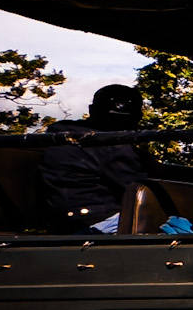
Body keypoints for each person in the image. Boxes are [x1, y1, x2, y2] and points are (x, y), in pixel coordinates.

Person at [39, 84, 152, 233]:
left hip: (61, 221)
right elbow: (140, 185)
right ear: (137, 117)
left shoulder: (60, 137)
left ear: (92, 110)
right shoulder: (112, 145)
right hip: (98, 219)